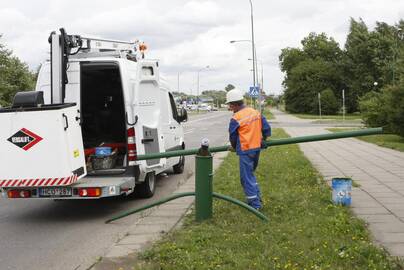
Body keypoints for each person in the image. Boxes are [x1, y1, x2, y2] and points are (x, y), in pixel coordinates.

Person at [226, 89, 271, 210]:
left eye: (230, 105)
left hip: (245, 150)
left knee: (246, 178)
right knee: (250, 175)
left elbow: (233, 136)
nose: (229, 108)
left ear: (235, 104)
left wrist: (234, 147)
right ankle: (258, 197)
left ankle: (255, 205)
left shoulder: (236, 118)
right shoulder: (255, 112)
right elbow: (266, 127)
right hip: (256, 148)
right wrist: (265, 138)